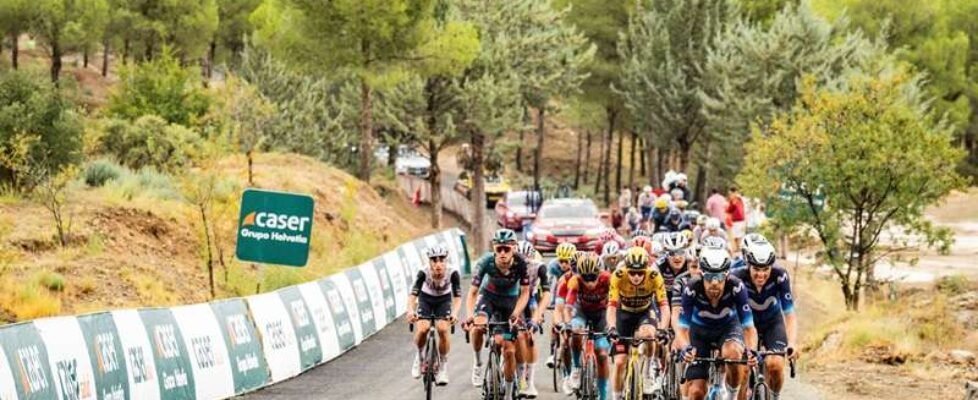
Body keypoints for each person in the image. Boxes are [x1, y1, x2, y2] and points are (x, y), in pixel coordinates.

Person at [675, 248, 758, 400]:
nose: (714, 282)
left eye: (719, 276)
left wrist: (751, 350)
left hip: (727, 329)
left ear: (727, 275)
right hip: (699, 333)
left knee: (733, 353)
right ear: (701, 274)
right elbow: (681, 329)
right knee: (696, 393)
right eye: (709, 276)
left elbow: (748, 327)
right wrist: (686, 348)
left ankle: (731, 396)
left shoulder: (737, 287)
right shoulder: (691, 288)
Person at [465, 229, 531, 399]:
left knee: (509, 350)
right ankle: (478, 362)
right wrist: (470, 316)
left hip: (510, 303)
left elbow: (525, 293)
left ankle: (509, 394)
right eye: (499, 249)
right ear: (493, 248)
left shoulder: (521, 263)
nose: (502, 253)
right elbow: (472, 293)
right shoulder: (485, 262)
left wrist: (516, 313)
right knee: (478, 327)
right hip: (488, 298)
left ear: (514, 248)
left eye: (506, 249)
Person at [731, 236, 798, 400]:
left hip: (771, 322)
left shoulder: (780, 275)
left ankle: (774, 396)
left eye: (765, 269)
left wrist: (792, 343)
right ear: (748, 265)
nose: (761, 274)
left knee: (774, 365)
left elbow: (789, 314)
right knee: (744, 368)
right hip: (745, 325)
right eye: (756, 269)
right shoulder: (736, 277)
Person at [607, 247, 670, 398]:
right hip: (624, 313)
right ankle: (616, 396)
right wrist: (612, 327)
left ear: (646, 269)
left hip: (645, 311)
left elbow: (664, 306)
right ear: (626, 269)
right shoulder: (618, 275)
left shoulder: (654, 276)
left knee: (649, 335)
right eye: (632, 273)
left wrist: (662, 329)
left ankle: (648, 371)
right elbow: (611, 306)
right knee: (620, 362)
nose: (636, 276)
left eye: (640, 272)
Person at [407, 244, 463, 385]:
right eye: (434, 260)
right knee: (423, 328)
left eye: (441, 260)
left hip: (443, 300)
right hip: (426, 298)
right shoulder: (423, 272)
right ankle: (419, 357)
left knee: (443, 329)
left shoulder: (453, 272)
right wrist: (410, 311)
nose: (438, 264)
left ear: (446, 260)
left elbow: (457, 297)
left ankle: (443, 367)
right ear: (429, 262)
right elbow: (413, 295)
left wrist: (455, 313)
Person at [563, 253, 613, 399]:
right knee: (576, 332)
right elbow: (568, 307)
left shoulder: (608, 278)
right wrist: (567, 324)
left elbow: (616, 303)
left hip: (602, 314)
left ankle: (603, 395)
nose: (590, 282)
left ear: (599, 273)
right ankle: (577, 368)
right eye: (586, 278)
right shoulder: (575, 280)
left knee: (602, 355)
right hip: (581, 312)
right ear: (580, 275)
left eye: (593, 277)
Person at [514, 241, 551, 398]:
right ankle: (518, 375)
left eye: (526, 261)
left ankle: (529, 382)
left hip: (531, 298)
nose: (523, 264)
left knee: (530, 337)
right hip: (512, 298)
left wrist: (537, 317)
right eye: (520, 260)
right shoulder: (509, 264)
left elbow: (545, 293)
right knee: (517, 338)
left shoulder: (539, 267)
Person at [726, 187, 747, 254]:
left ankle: (738, 252)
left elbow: (743, 211)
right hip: (734, 222)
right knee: (734, 238)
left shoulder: (740, 200)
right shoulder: (732, 201)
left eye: (731, 194)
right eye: (729, 194)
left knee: (739, 237)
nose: (730, 195)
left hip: (740, 221)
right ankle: (736, 252)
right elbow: (729, 210)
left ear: (735, 193)